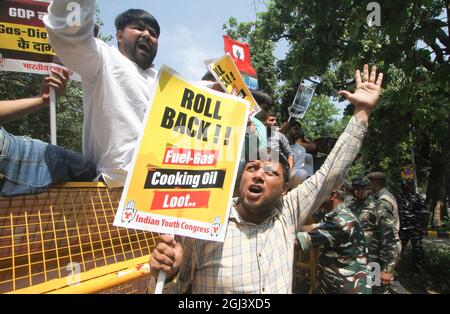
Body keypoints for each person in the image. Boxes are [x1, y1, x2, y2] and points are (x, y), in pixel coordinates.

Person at [148, 64, 384, 294]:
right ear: (241, 177)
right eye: (252, 167)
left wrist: (362, 112)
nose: (259, 174)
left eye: (271, 172)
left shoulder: (288, 213)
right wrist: (168, 275)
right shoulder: (203, 227)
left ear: (284, 189)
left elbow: (331, 172)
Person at [44, 2, 160, 188]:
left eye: (153, 34)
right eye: (139, 28)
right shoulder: (103, 58)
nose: (147, 34)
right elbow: (67, 35)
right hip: (111, 190)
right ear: (119, 36)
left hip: (161, 191)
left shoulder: (163, 81)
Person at [0, 70, 97, 197]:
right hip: (10, 154)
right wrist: (41, 100)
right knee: (87, 169)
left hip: (9, 152)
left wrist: (41, 99)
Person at [297, 190, 371, 294]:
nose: (313, 198)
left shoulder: (340, 221)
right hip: (337, 284)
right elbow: (313, 228)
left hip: (347, 287)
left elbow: (301, 241)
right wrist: (294, 227)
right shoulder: (338, 215)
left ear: (333, 195)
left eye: (318, 193)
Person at [348, 176, 398, 294]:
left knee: (375, 290)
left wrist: (387, 269)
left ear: (369, 189)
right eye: (357, 188)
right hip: (355, 261)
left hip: (374, 262)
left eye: (363, 188)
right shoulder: (350, 207)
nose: (360, 191)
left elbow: (389, 240)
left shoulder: (379, 208)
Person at [396, 179, 428, 273]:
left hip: (414, 228)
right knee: (399, 249)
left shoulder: (416, 198)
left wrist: (420, 225)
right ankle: (395, 268)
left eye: (407, 186)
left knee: (418, 250)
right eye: (403, 186)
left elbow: (424, 212)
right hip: (403, 228)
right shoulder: (398, 198)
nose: (405, 188)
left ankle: (419, 269)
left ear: (410, 187)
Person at [367, 171, 401, 256]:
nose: (367, 186)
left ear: (374, 183)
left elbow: (386, 228)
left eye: (369, 183)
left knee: (384, 269)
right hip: (386, 244)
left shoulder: (384, 199)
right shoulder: (379, 196)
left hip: (388, 246)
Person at [259, 109, 294, 174]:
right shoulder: (257, 134)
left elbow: (290, 155)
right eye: (271, 120)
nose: (275, 122)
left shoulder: (280, 136)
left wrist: (289, 173)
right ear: (264, 122)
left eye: (275, 120)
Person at [284, 120, 309, 188]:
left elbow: (297, 167)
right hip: (275, 173)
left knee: (302, 173)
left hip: (289, 177)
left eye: (299, 130)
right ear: (288, 129)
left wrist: (286, 177)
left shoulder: (301, 150)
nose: (298, 131)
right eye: (295, 129)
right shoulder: (279, 141)